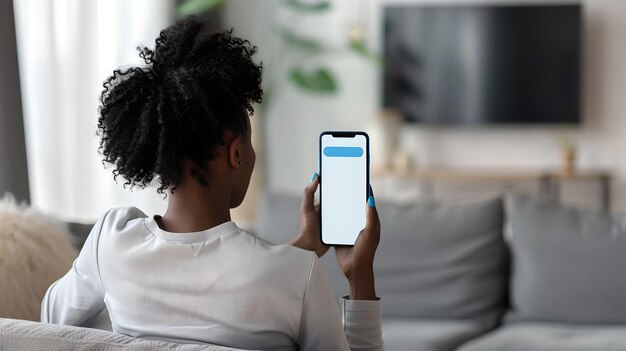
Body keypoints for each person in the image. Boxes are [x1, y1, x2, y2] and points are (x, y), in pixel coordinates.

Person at [41, 16, 383, 351]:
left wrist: (304, 245)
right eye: (248, 144)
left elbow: (49, 321)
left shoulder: (110, 243)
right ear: (236, 152)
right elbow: (254, 281)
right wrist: (359, 274)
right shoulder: (297, 275)